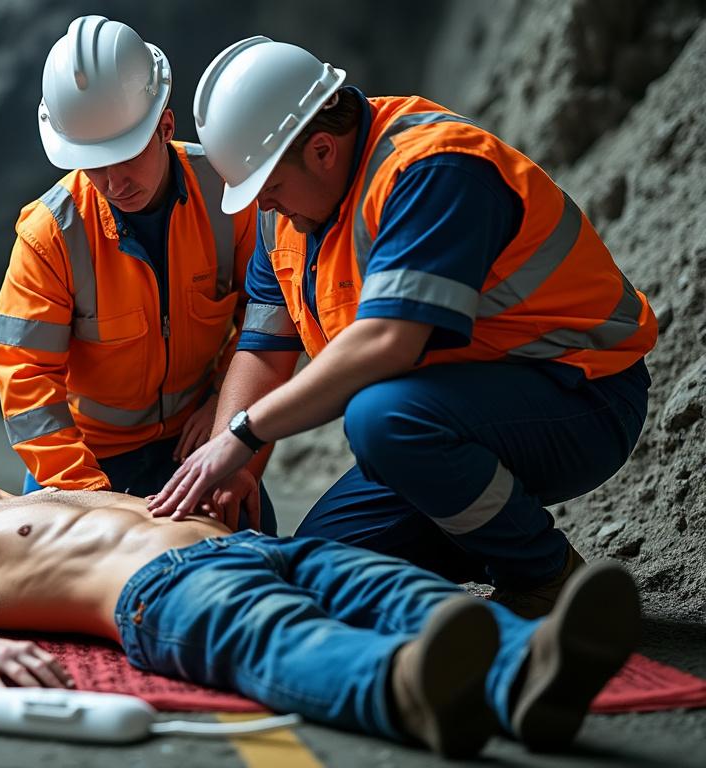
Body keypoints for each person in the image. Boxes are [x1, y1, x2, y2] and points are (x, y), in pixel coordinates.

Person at [149, 37, 658, 618]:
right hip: (446, 417)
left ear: (321, 149)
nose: (264, 207)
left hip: (582, 398)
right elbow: (263, 347)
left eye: (270, 187)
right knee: (317, 568)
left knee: (381, 420)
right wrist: (232, 467)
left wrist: (242, 435)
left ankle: (545, 575)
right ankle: (482, 538)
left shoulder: (433, 167)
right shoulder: (287, 219)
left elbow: (392, 340)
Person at [0, 424, 641, 759]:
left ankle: (525, 673)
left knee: (397, 588)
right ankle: (405, 690)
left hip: (263, 548)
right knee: (282, 638)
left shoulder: (49, 491)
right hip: (163, 595)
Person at [0, 16, 274, 533]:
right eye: (92, 164)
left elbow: (269, 323)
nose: (113, 182)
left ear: (165, 127)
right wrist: (97, 509)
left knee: (244, 537)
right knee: (65, 581)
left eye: (125, 155)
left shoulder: (229, 195)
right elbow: (26, 378)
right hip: (87, 457)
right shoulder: (49, 234)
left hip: (199, 435)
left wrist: (226, 412)